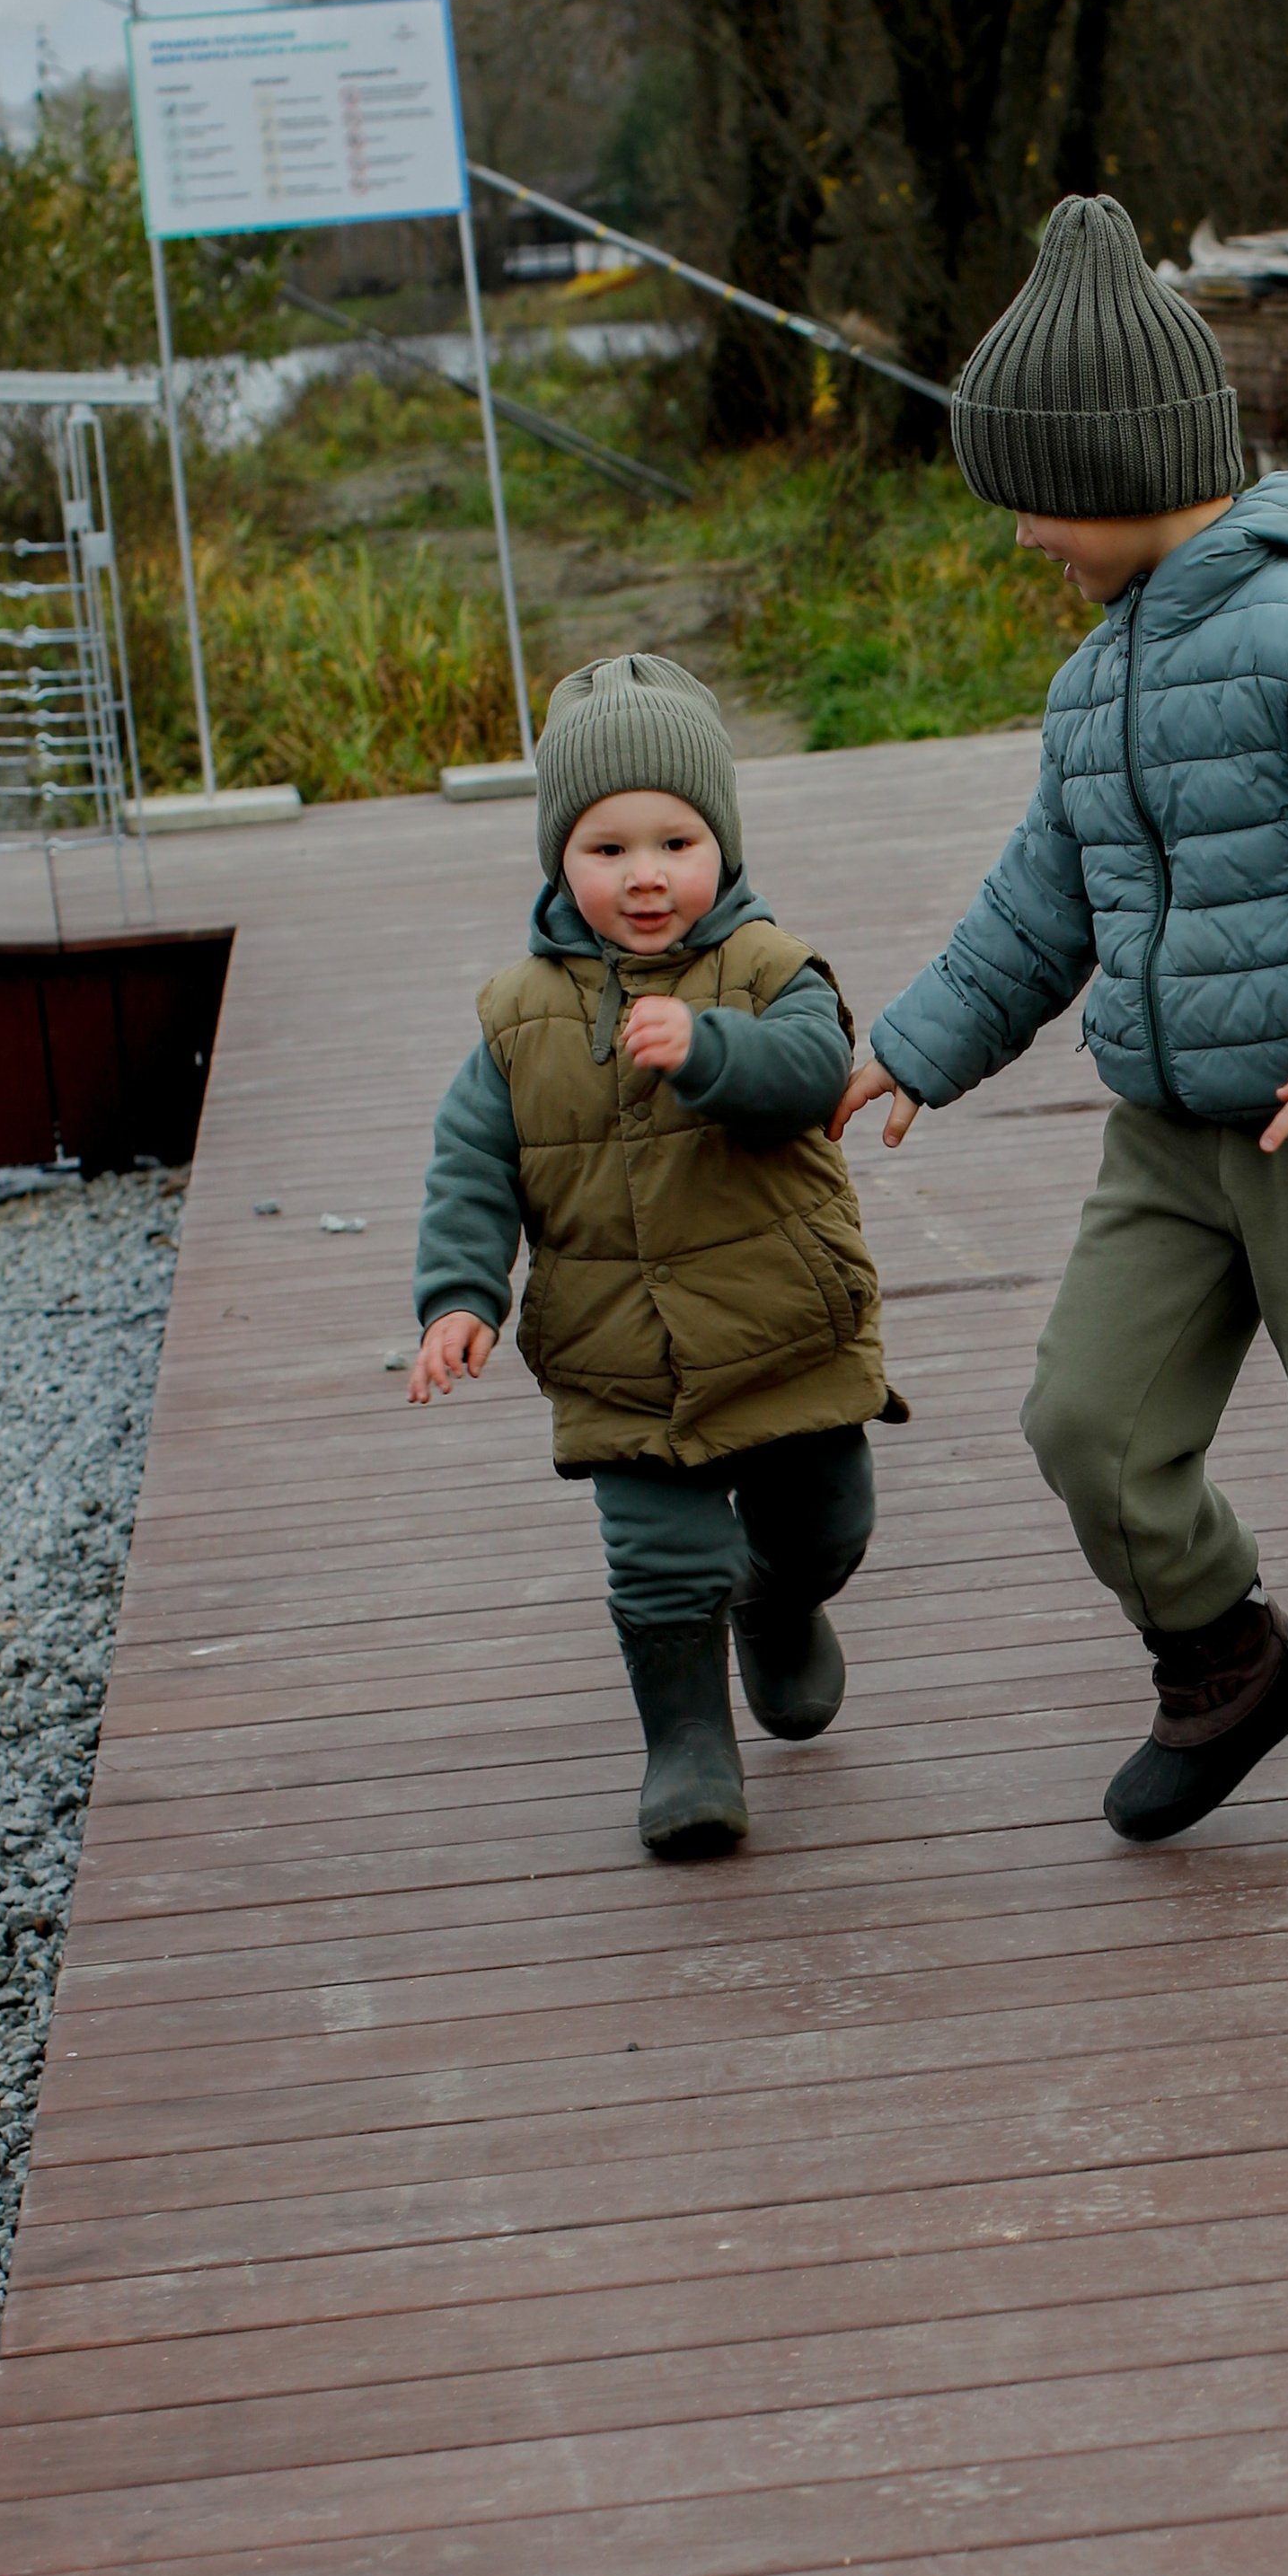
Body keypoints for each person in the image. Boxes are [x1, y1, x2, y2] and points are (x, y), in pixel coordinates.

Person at [835, 194, 1288, 1854]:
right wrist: (921, 1040)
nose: (1022, 540)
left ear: (1113, 468)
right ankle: (1224, 1662)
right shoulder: (1098, 680)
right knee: (1089, 1420)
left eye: (1031, 505)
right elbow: (1043, 893)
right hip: (1167, 1129)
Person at [409, 651, 897, 1861]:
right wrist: (462, 1296)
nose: (643, 876)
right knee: (664, 1562)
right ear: (557, 859)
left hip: (785, 1325)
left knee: (825, 1527)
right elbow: (474, 1164)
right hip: (621, 1351)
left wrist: (709, 1047)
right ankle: (687, 1748)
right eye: (606, 847)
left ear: (721, 844)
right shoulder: (519, 1014)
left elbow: (807, 1079)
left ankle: (778, 1608)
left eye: (674, 842)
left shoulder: (772, 967)